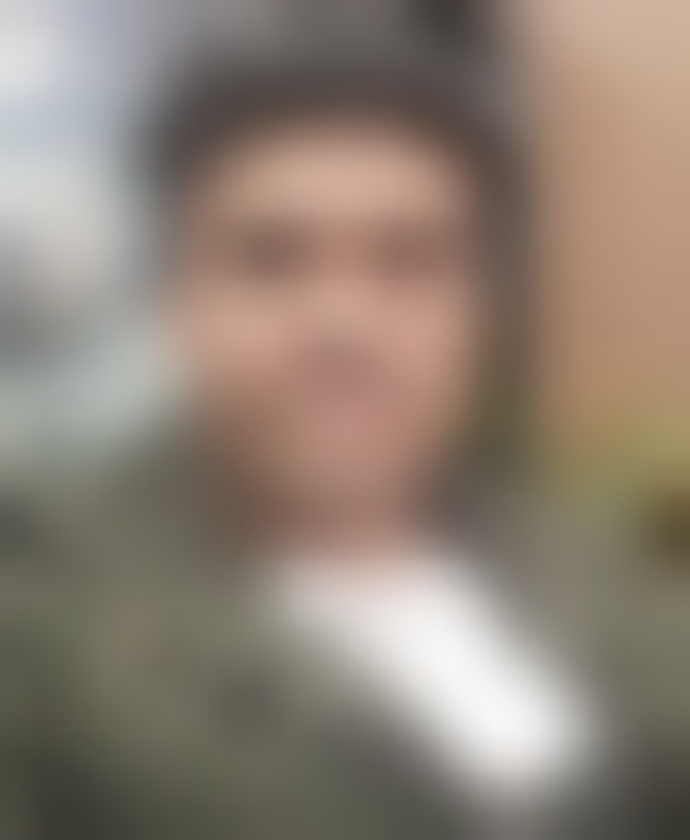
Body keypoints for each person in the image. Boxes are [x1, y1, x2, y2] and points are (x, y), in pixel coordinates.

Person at [2, 46, 629, 840]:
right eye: (270, 261)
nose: (344, 325)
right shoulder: (42, 599)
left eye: (410, 261)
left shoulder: (569, 553)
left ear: (481, 312)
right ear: (174, 302)